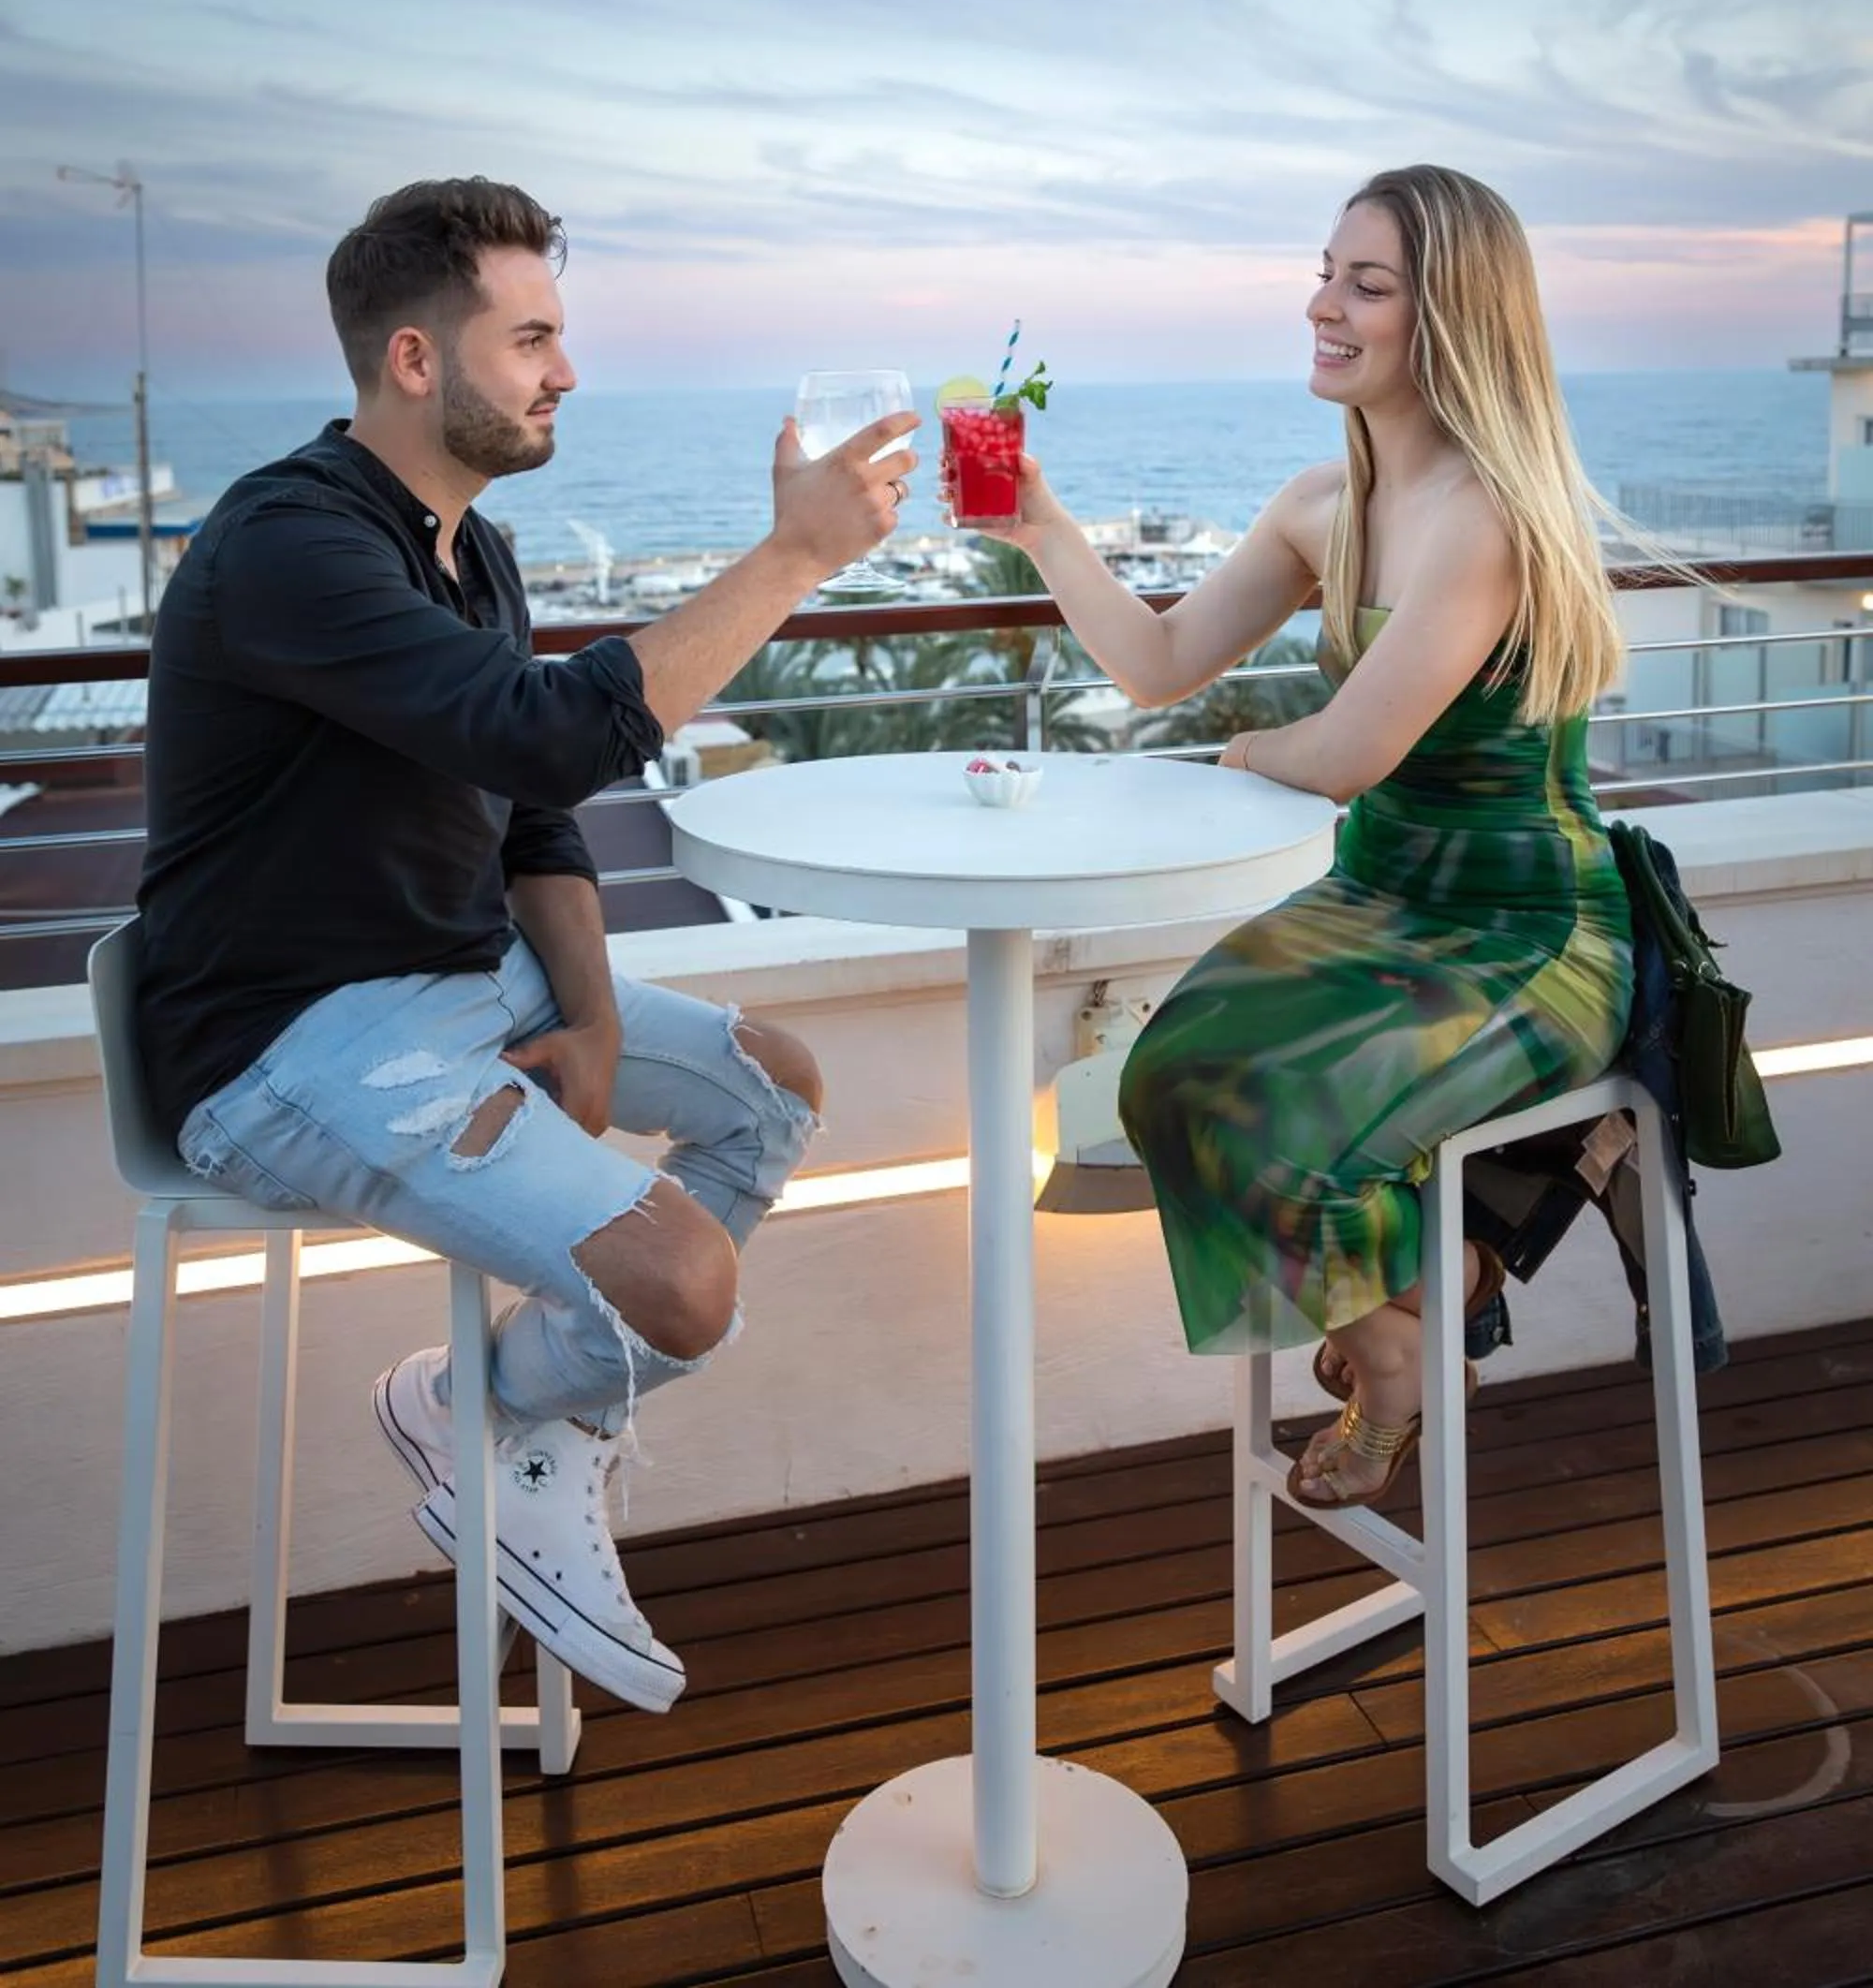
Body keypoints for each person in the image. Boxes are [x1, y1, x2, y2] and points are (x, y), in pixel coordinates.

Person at [136, 176, 919, 1705]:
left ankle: (510, 1421)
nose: (566, 372)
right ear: (418, 360)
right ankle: (480, 1410)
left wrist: (596, 1023)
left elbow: (531, 816)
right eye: (534, 338)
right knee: (683, 1287)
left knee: (777, 1079)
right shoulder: (291, 545)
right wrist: (792, 558)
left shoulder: (465, 545)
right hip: (283, 1043)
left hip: (450, 984)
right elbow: (550, 737)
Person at [996, 164, 1632, 1509]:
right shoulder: (1319, 506)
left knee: (1276, 1116)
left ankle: (1398, 1347)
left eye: (1367, 284)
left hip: (1528, 930)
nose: (1322, 306)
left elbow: (1346, 755)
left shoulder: (1490, 520)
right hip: (1380, 900)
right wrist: (1040, 527)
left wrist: (1253, 751)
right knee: (1169, 1074)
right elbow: (1159, 661)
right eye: (1326, 273)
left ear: (1448, 316)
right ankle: (1436, 1302)